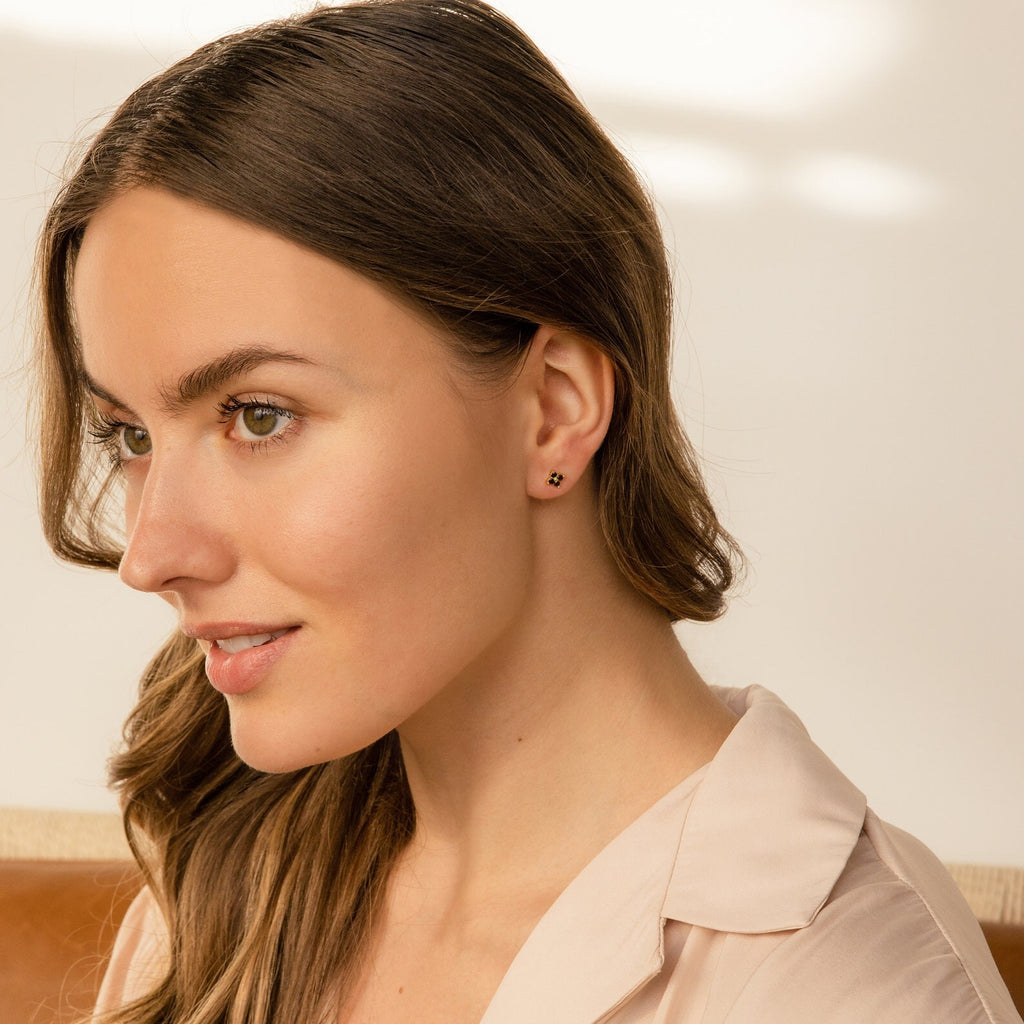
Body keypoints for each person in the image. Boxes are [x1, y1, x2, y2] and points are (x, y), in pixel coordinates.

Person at [34, 1, 1020, 1022]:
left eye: (260, 414)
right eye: (131, 436)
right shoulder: (225, 887)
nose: (149, 553)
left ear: (553, 411)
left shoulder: (850, 989)